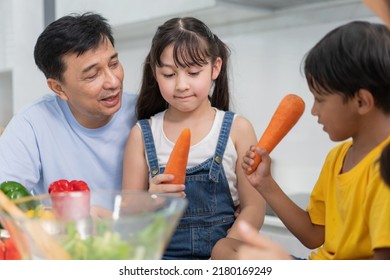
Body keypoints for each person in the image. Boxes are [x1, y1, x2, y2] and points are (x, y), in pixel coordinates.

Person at [241, 21, 390, 260]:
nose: (313, 111)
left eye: (320, 99)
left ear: (361, 101)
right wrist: (264, 183)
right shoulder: (337, 157)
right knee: (226, 251)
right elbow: (313, 235)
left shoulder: (384, 169)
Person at [122, 17, 265, 260]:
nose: (181, 85)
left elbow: (254, 207)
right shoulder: (142, 134)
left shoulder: (238, 129)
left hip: (223, 258)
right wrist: (151, 200)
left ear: (215, 68)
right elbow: (127, 216)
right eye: (168, 74)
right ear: (155, 73)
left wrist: (227, 248)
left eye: (193, 72)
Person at [0, 12, 137, 194]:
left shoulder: (143, 110)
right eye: (92, 75)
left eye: (113, 64)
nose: (113, 82)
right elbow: (5, 202)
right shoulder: (31, 124)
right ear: (58, 88)